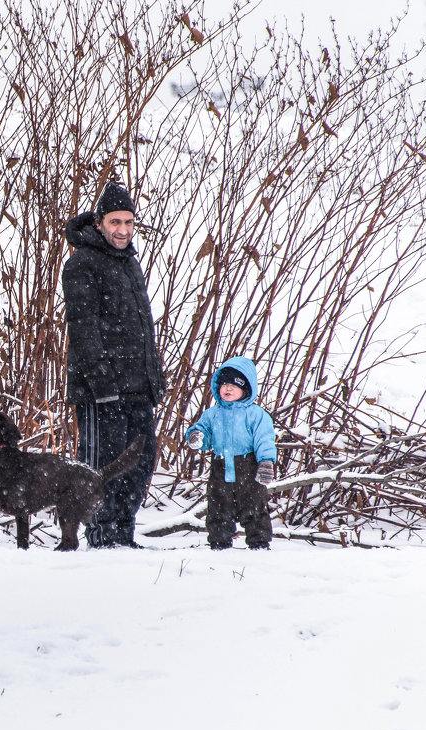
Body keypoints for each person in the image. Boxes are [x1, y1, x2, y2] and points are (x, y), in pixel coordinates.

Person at [61, 183, 165, 548]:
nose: (123, 229)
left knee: (139, 465)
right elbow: (84, 328)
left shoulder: (130, 263)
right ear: (100, 222)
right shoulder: (81, 263)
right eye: (115, 221)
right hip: (100, 391)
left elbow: (142, 327)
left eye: (129, 222)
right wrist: (104, 384)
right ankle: (100, 536)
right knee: (101, 468)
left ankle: (123, 534)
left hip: (139, 388)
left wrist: (155, 377)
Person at [185, 356, 277, 550]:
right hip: (220, 467)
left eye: (234, 385)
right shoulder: (212, 414)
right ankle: (219, 543)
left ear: (246, 388)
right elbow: (203, 433)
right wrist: (196, 437)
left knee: (254, 508)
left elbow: (264, 440)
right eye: (224, 383)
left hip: (249, 468)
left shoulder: (256, 415)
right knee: (218, 508)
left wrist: (266, 462)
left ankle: (259, 543)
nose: (227, 388)